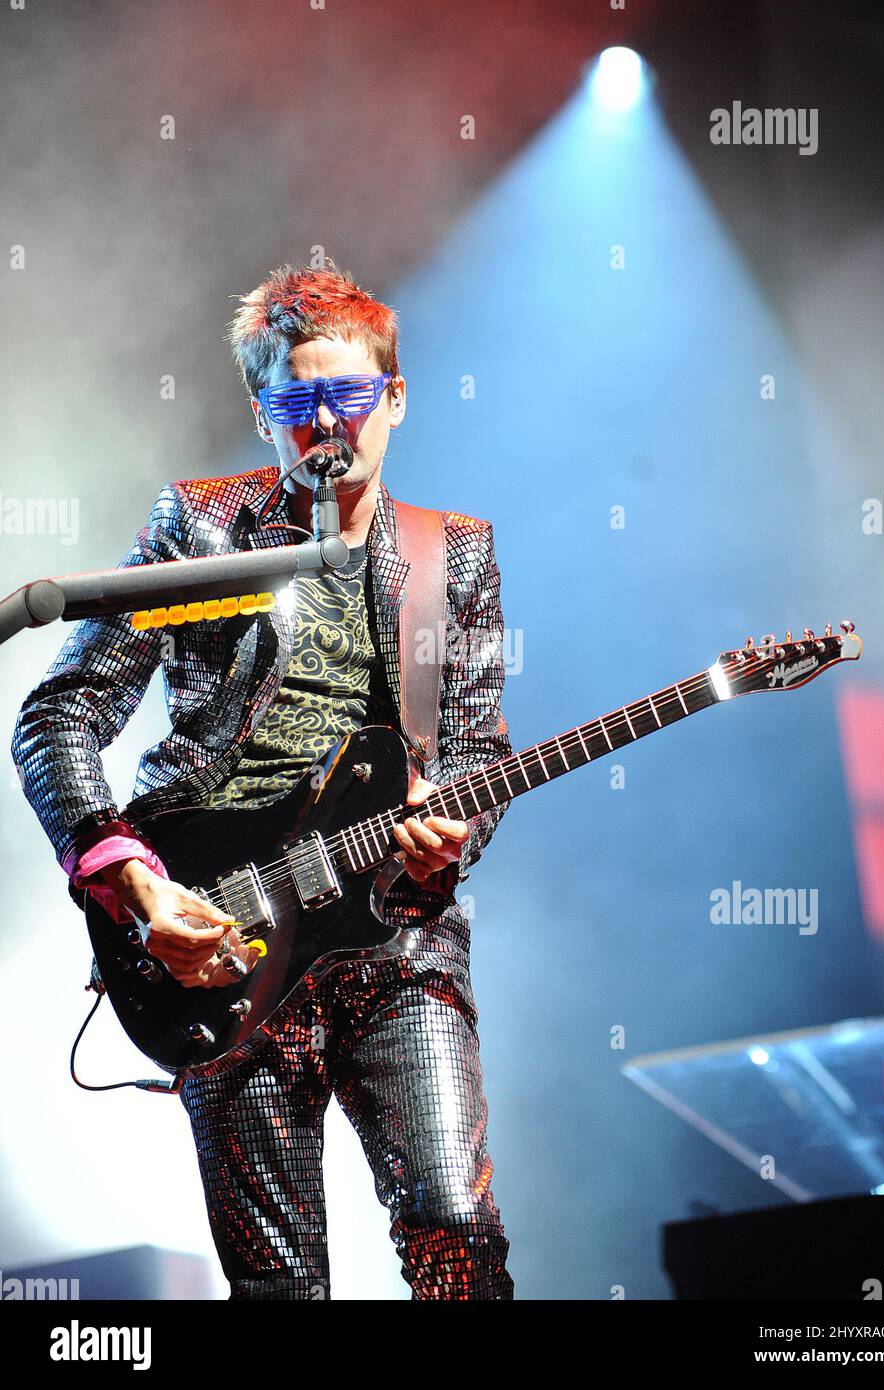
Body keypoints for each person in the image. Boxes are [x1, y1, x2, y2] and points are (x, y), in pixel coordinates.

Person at [11, 261, 514, 1300]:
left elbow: (477, 753)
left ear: (397, 399)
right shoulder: (200, 530)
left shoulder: (453, 554)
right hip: (220, 938)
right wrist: (138, 890)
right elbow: (59, 713)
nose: (326, 422)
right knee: (279, 1289)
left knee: (454, 1231)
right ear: (262, 411)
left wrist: (455, 832)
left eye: (351, 395)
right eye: (297, 400)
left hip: (393, 934)